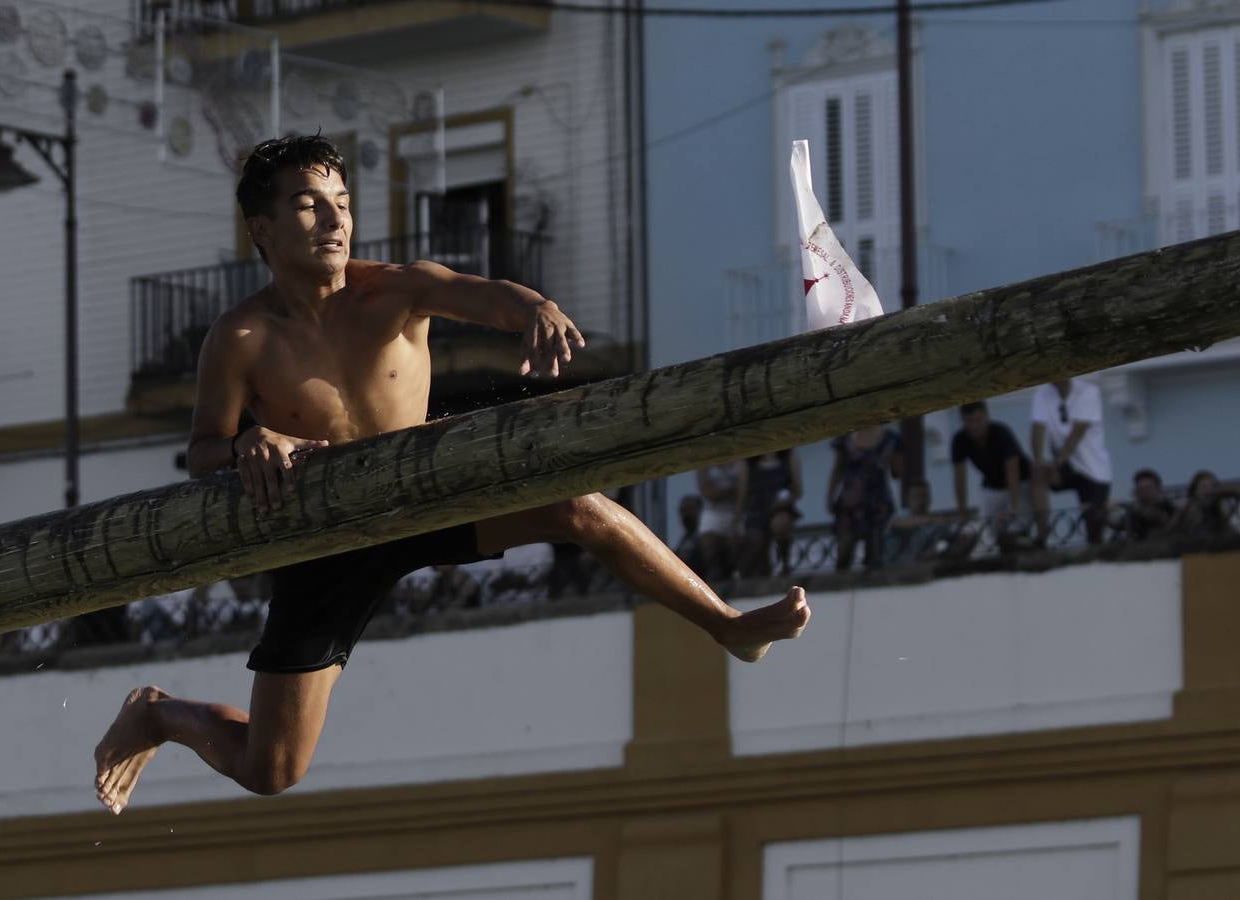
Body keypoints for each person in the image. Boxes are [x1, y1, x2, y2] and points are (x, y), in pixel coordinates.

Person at [93, 135, 811, 814]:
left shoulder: (396, 291)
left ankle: (727, 624)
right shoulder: (241, 337)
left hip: (420, 495)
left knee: (575, 506)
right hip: (321, 538)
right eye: (310, 204)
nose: (334, 219)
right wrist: (249, 442)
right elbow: (202, 452)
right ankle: (159, 713)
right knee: (272, 770)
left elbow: (484, 293)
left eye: (342, 201)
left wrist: (536, 308)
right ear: (262, 229)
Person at [1030, 378, 1112, 547]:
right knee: (1038, 474)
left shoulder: (1088, 391)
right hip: (1065, 465)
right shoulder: (1043, 393)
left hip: (1093, 470)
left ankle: (1096, 555)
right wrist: (1039, 461)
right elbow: (1038, 428)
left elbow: (1078, 432)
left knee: (1094, 527)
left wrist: (1055, 463)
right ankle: (1041, 536)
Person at [950, 401, 1030, 545]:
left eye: (979, 420)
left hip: (1020, 484)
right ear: (963, 421)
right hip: (992, 486)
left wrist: (1014, 508)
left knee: (1016, 527)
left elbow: (1013, 471)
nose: (975, 426)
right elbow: (959, 479)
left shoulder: (1001, 434)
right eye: (969, 421)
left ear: (987, 417)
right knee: (989, 530)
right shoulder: (960, 440)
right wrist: (961, 512)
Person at [828, 425, 902, 570]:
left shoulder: (889, 439)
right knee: (844, 549)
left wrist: (892, 458)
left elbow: (897, 472)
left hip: (876, 501)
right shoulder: (845, 438)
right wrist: (830, 496)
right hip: (850, 501)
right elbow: (837, 469)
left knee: (874, 552)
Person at [735, 450, 802, 578]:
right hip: (756, 508)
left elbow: (797, 490)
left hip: (780, 507)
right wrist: (737, 518)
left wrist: (783, 501)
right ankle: (762, 573)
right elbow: (742, 493)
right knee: (756, 541)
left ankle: (784, 564)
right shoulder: (748, 461)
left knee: (780, 524)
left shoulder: (789, 457)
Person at [695, 461, 745, 579]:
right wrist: (730, 491)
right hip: (712, 511)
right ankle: (713, 579)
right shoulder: (705, 462)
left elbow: (743, 490)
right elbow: (706, 491)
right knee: (709, 546)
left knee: (735, 545)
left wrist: (737, 516)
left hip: (735, 511)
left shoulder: (740, 462)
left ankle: (734, 576)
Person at [1170, 470, 1239, 538]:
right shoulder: (1188, 510)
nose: (1209, 491)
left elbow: (1228, 531)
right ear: (1195, 490)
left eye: (1213, 486)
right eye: (1204, 487)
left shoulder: (1216, 509)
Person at [1123, 468, 1176, 541]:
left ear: (1158, 489)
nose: (1144, 492)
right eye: (1140, 489)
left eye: (1148, 488)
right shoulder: (1132, 511)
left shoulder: (1170, 509)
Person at [672, 494, 704, 572]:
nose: (686, 514)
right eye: (683, 510)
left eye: (690, 509)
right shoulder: (685, 539)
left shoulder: (705, 537)